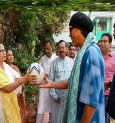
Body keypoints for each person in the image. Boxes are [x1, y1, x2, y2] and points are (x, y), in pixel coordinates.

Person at [39, 12, 105, 123]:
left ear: (76, 30)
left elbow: (91, 102)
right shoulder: (84, 53)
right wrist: (50, 84)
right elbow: (71, 82)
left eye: (70, 31)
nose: (69, 36)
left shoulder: (90, 54)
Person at [0, 43, 37, 123]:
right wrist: (25, 78)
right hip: (2, 106)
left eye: (4, 50)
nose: (4, 52)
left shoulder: (6, 66)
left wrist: (31, 78)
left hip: (12, 104)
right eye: (1, 50)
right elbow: (7, 88)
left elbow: (18, 78)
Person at [49, 40, 74, 123]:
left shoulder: (71, 62)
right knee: (57, 118)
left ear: (67, 49)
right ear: (57, 50)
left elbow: (74, 79)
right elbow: (50, 81)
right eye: (59, 48)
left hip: (69, 97)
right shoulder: (53, 63)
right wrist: (54, 95)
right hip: (58, 98)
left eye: (63, 47)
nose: (61, 49)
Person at [36, 38, 57, 123]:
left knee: (53, 110)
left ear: (51, 46)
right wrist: (45, 76)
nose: (46, 51)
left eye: (48, 48)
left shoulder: (56, 58)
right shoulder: (42, 59)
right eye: (44, 49)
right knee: (40, 109)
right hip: (44, 88)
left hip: (54, 87)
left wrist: (47, 75)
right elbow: (39, 72)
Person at [6, 49, 26, 123]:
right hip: (9, 97)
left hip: (18, 97)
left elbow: (21, 79)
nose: (11, 56)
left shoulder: (16, 67)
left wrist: (22, 86)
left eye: (12, 55)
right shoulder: (4, 68)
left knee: (19, 114)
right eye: (9, 55)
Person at [100, 33, 115, 123]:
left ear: (110, 43)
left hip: (108, 96)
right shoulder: (97, 57)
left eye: (105, 41)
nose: (102, 43)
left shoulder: (114, 58)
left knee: (107, 120)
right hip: (97, 94)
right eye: (101, 41)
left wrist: (110, 82)